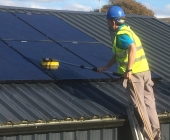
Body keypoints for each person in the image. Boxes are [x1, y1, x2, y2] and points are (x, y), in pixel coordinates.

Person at [98, 6, 161, 140]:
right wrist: (106, 66)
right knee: (150, 103)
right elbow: (119, 53)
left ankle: (149, 136)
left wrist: (128, 70)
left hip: (135, 75)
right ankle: (156, 133)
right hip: (145, 71)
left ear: (113, 22)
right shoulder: (128, 30)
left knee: (139, 106)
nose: (108, 24)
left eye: (108, 21)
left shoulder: (121, 35)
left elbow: (132, 48)